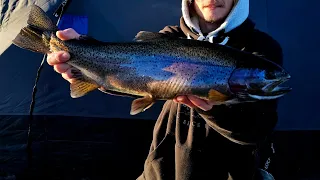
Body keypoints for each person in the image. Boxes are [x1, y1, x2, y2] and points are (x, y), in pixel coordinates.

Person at [47, 0, 283, 179]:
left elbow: (257, 131)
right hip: (162, 169)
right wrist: (86, 68)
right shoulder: (170, 37)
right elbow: (129, 76)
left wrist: (214, 110)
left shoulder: (261, 49)